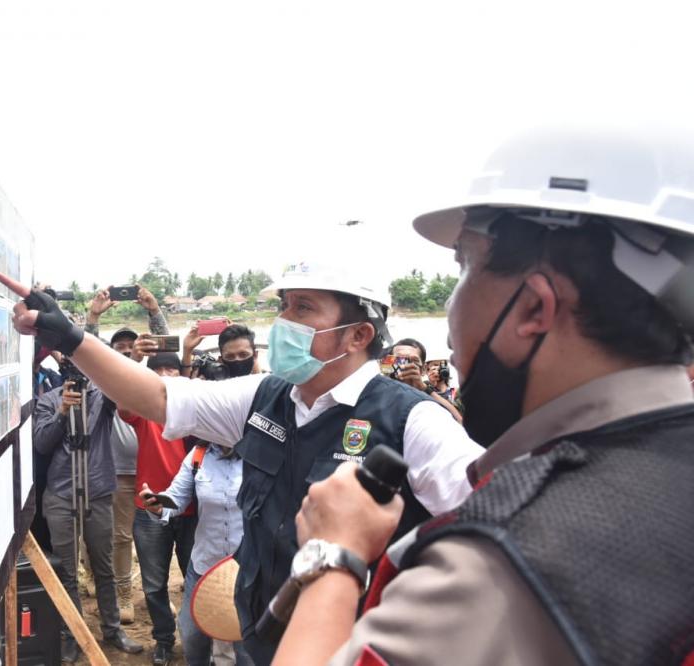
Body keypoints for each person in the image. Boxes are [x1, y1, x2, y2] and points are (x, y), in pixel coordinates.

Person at [272, 125, 694, 666]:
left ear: (534, 309)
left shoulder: (496, 566)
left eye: (464, 266)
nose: (452, 314)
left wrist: (333, 558)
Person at [0, 251, 484, 665]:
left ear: (357, 335)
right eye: (284, 306)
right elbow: (160, 398)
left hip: (356, 650)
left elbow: (497, 532)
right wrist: (71, 337)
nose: (283, 322)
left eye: (304, 308)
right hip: (260, 638)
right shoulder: (265, 397)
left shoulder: (414, 423)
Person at [32, 374, 143, 661]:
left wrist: (136, 362)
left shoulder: (103, 396)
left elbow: (123, 389)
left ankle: (112, 629)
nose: (78, 377)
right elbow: (42, 444)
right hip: (60, 493)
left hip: (98, 492)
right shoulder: (48, 399)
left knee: (103, 565)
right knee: (66, 570)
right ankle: (72, 633)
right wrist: (62, 413)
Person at [84, 286, 170, 623]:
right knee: (120, 537)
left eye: (130, 348)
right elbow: (85, 353)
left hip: (156, 470)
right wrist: (92, 317)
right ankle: (123, 595)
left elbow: (168, 350)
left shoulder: (153, 377)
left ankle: (155, 594)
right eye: (117, 349)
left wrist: (154, 309)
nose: (124, 353)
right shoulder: (103, 382)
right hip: (118, 471)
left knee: (156, 535)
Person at [141, 440, 251, 666]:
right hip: (205, 565)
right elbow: (177, 498)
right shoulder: (198, 455)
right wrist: (159, 506)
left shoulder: (258, 454)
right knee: (191, 634)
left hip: (245, 569)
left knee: (245, 643)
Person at [119, 349, 197, 666]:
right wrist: (138, 365)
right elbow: (124, 401)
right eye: (158, 370)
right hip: (149, 508)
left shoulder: (198, 408)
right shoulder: (145, 411)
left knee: (196, 581)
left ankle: (196, 641)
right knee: (154, 585)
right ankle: (164, 639)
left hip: (193, 510)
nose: (165, 375)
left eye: (172, 369)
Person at [387, 338, 463, 422]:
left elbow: (458, 420)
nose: (407, 365)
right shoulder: (382, 393)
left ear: (422, 369)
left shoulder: (428, 394)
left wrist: (424, 388)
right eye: (400, 359)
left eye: (413, 361)